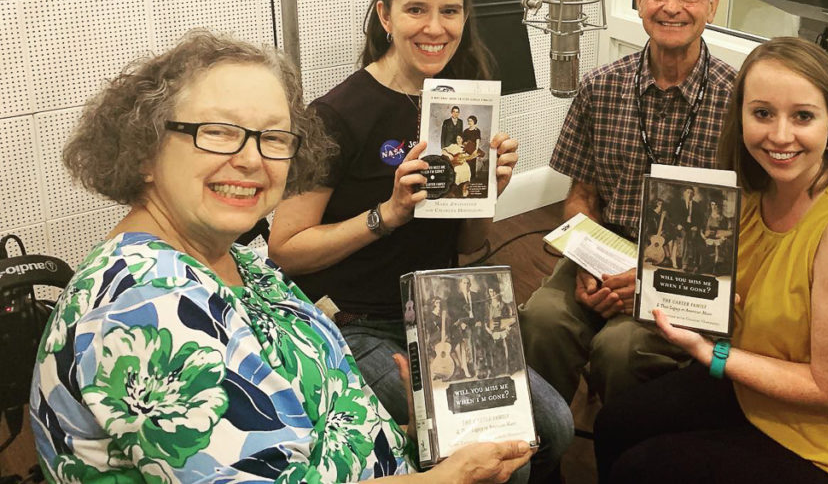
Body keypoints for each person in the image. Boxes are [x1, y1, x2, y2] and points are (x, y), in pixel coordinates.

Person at [31, 31, 533, 484]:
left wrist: (409, 432)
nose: (251, 159)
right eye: (218, 131)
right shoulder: (145, 308)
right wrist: (449, 478)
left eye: (272, 137)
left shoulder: (234, 262)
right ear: (145, 150)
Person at [268, 0, 573, 484]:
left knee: (554, 427)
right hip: (358, 321)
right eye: (416, 10)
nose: (435, 27)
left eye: (449, 11)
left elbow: (468, 247)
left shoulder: (460, 102)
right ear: (385, 16)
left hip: (443, 312)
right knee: (496, 460)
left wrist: (488, 193)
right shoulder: (336, 115)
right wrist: (388, 214)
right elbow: (285, 250)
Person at [593, 37, 828, 484]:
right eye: (762, 113)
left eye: (803, 116)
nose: (779, 135)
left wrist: (710, 353)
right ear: (740, 116)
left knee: (641, 469)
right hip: (757, 394)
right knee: (616, 423)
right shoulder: (752, 196)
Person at [519, 0, 736, 405]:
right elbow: (581, 195)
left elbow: (744, 226)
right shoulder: (600, 86)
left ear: (712, 5)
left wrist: (649, 279)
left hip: (690, 265)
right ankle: (545, 440)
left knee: (620, 349)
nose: (672, 7)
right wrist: (586, 263)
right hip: (606, 249)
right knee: (541, 318)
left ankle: (626, 440)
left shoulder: (737, 102)